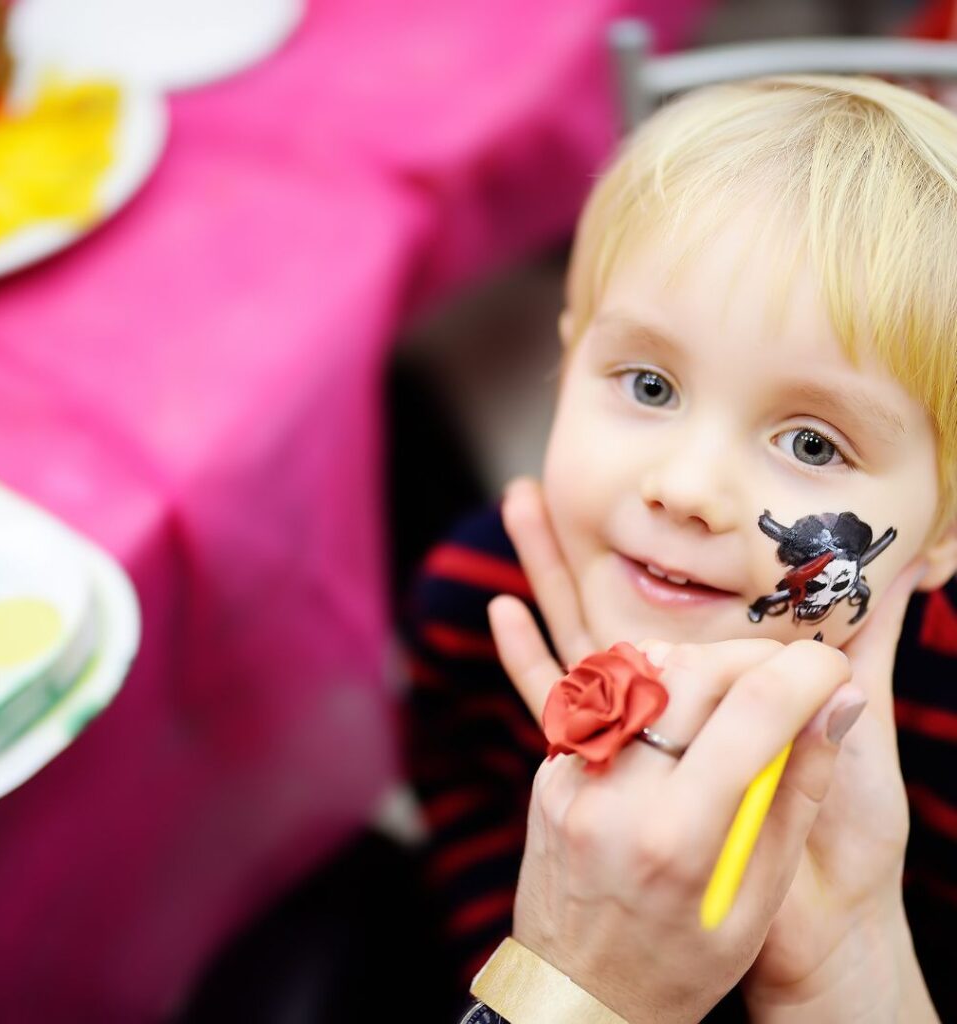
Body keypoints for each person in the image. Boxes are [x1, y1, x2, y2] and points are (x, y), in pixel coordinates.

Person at [402, 74, 957, 1022]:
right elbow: (460, 814)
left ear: (943, 535)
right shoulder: (481, 594)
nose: (689, 489)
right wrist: (537, 962)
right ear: (569, 359)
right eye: (650, 385)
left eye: (813, 444)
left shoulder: (944, 702)